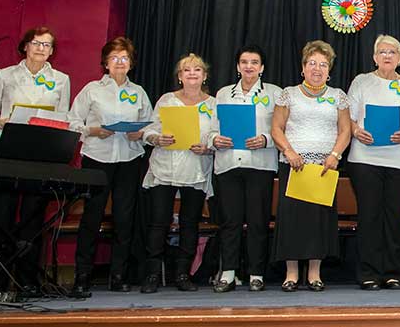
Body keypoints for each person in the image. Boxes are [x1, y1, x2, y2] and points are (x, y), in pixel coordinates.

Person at [0, 26, 71, 294]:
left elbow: (63, 118)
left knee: (33, 219)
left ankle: (28, 282)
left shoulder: (61, 79)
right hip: (7, 148)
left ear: (52, 51)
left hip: (41, 153)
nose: (41, 48)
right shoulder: (5, 75)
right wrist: (0, 121)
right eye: (36, 43)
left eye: (47, 45)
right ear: (25, 46)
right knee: (1, 218)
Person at [68, 36, 152, 293]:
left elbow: (151, 125)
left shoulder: (138, 92)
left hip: (129, 159)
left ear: (131, 63)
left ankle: (118, 275)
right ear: (105, 62)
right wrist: (93, 130)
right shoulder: (92, 89)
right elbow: (72, 122)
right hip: (97, 158)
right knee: (91, 217)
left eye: (124, 58)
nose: (119, 62)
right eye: (114, 58)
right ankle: (82, 275)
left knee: (124, 219)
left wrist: (140, 133)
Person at [270, 40, 351, 291]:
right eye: (312, 63)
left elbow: (345, 130)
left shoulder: (338, 96)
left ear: (329, 70)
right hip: (294, 166)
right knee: (292, 220)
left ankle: (315, 274)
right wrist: (289, 152)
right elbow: (276, 128)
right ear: (303, 67)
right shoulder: (288, 94)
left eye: (323, 65)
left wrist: (335, 155)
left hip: (324, 168)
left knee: (319, 221)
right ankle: (291, 274)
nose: (317, 69)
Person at [347, 35, 400, 290]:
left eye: (392, 52)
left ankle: (392, 273)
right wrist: (356, 131)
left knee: (394, 217)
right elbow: (348, 117)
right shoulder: (361, 81)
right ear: (374, 57)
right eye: (382, 51)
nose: (387, 56)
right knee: (369, 216)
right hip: (364, 158)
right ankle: (368, 273)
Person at [141, 53, 217, 293]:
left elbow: (218, 135)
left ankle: (183, 274)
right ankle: (153, 274)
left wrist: (208, 147)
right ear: (180, 76)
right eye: (187, 70)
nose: (192, 73)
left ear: (204, 76)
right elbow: (150, 129)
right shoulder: (167, 100)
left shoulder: (213, 104)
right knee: (159, 222)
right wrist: (157, 138)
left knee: (189, 223)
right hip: (165, 167)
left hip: (196, 169)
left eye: (197, 69)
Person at [208, 44, 279, 292]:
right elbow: (211, 129)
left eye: (254, 62)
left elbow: (282, 128)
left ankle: (256, 273)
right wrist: (214, 139)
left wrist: (266, 139)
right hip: (228, 164)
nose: (249, 66)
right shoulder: (223, 94)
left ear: (262, 67)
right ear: (238, 66)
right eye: (245, 62)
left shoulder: (274, 93)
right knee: (230, 222)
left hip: (260, 165)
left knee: (258, 222)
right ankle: (228, 273)